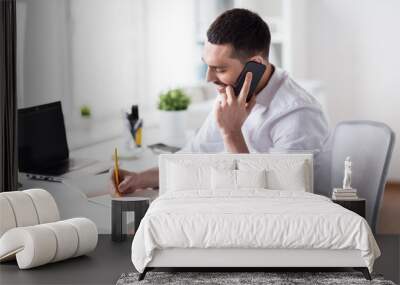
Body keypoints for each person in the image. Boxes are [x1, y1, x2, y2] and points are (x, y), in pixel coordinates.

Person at [110, 8, 330, 195]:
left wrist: (231, 132)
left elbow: (273, 198)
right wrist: (141, 179)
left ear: (255, 64)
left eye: (220, 69)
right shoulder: (231, 98)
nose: (209, 78)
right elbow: (194, 155)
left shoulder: (298, 114)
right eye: (207, 65)